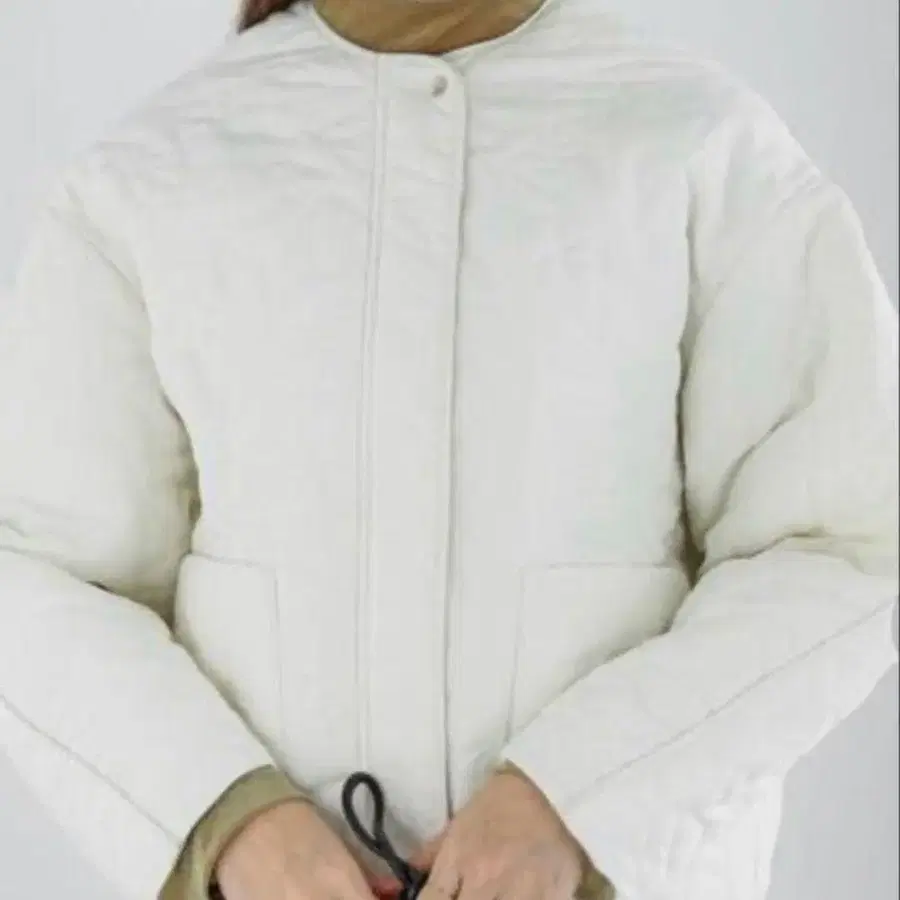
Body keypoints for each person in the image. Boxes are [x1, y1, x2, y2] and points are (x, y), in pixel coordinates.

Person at [0, 0, 897, 898]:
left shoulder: (700, 144)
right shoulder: (158, 170)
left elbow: (842, 544)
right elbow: (41, 574)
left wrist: (578, 800)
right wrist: (226, 821)